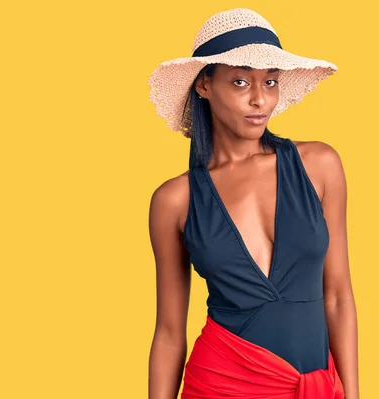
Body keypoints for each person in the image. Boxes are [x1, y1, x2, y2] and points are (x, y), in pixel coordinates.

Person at [147, 8, 358, 399]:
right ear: (204, 85)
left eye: (271, 82)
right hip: (221, 383)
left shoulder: (319, 166)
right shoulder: (175, 201)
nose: (260, 99)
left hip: (313, 386)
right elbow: (170, 333)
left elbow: (338, 296)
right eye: (241, 81)